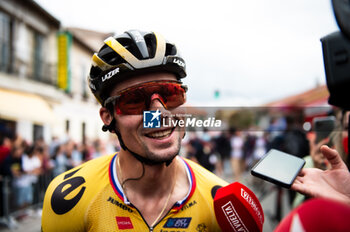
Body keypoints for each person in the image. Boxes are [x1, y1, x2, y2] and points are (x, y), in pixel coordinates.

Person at [42, 30, 228, 231]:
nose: (160, 113)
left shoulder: (220, 201)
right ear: (108, 117)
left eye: (171, 94)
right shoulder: (66, 198)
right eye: (135, 101)